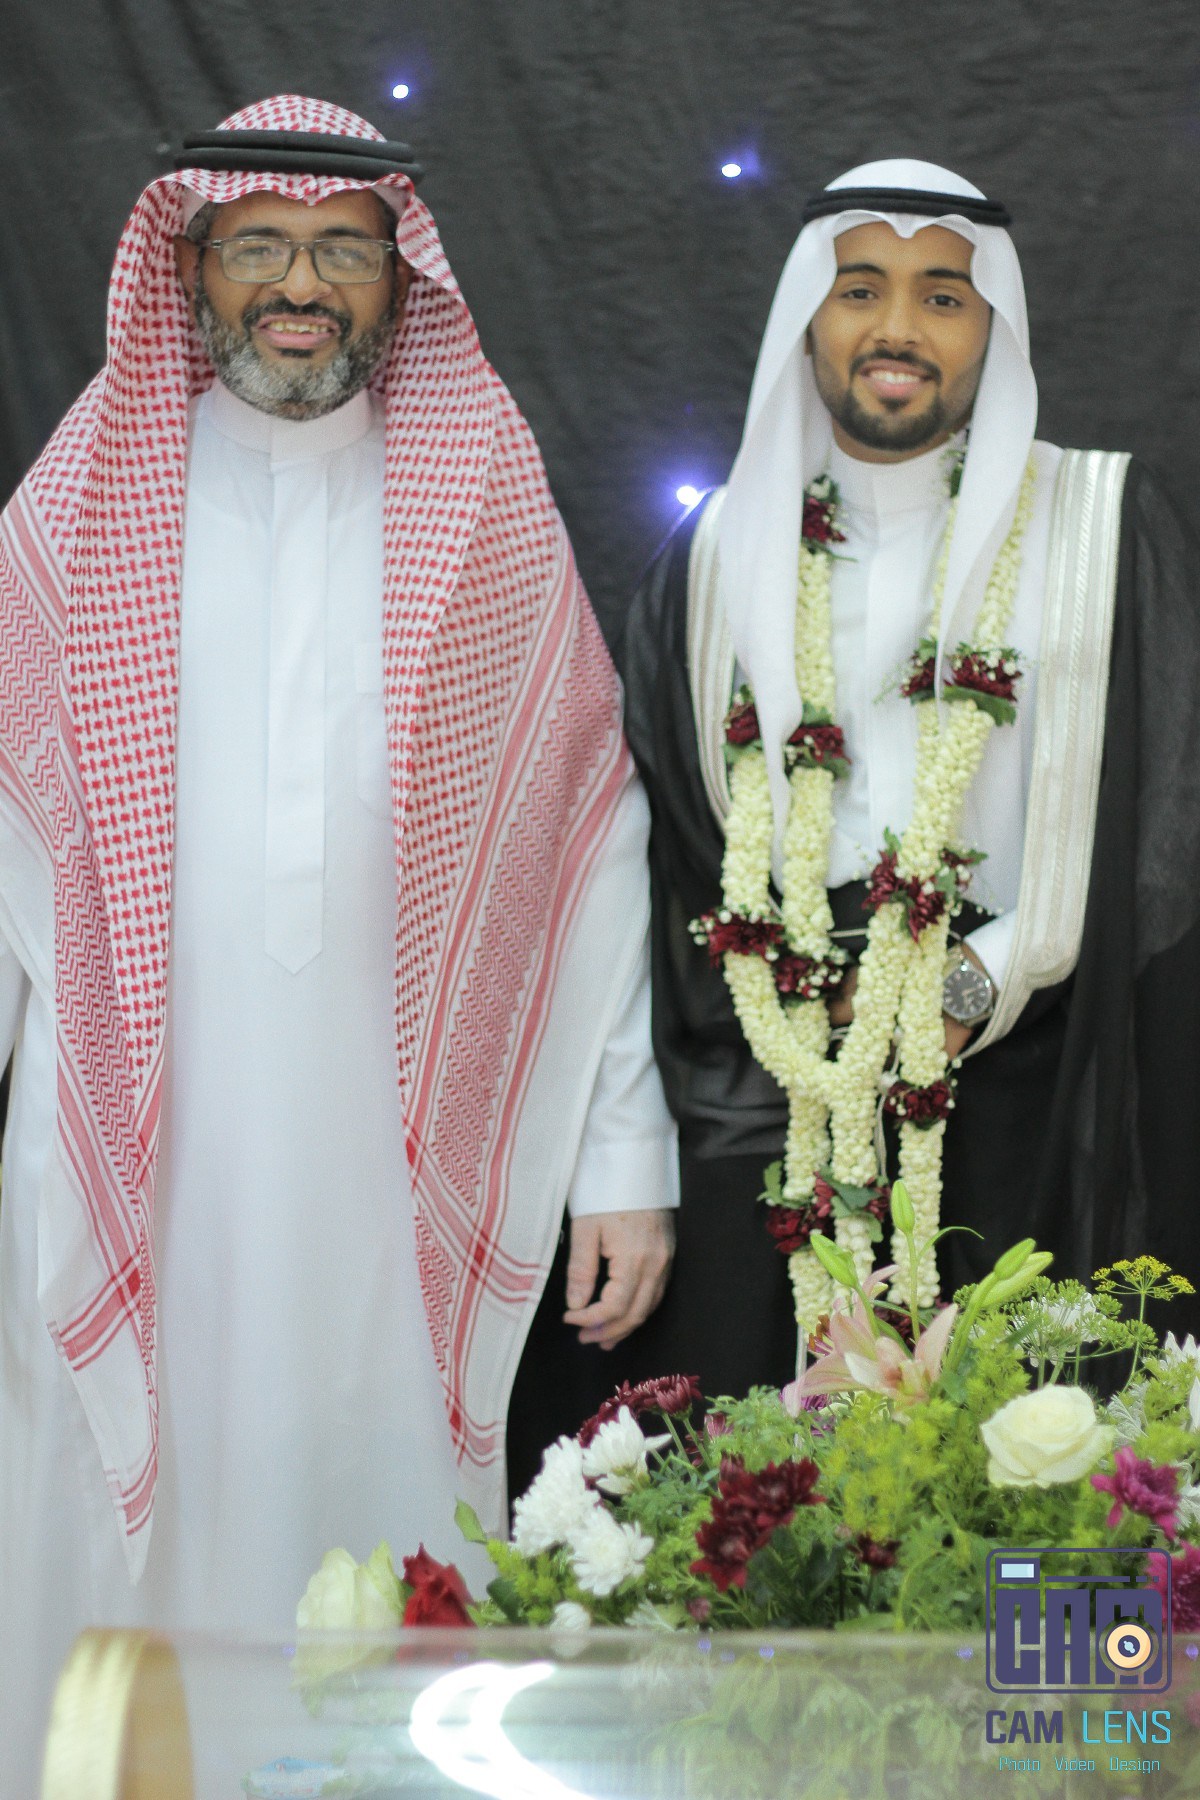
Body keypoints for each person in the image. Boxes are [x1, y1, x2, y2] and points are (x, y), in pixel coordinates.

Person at [0, 94, 677, 1793]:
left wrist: (622, 1155)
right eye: (260, 246)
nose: (300, 287)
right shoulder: (75, 514)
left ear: (399, 277)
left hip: (395, 1156)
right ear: (191, 266)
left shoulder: (484, 506)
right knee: (115, 1530)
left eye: (343, 252)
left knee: (376, 1508)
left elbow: (584, 852)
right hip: (130, 1146)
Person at [609, 158, 1200, 1403]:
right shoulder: (712, 558)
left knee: (1027, 1464)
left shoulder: (1100, 522)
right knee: (773, 1469)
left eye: (942, 296)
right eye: (859, 289)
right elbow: (662, 870)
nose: (896, 329)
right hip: (780, 1077)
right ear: (807, 318)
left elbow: (1171, 824)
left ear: (994, 328)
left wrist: (974, 981)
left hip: (1038, 1070)